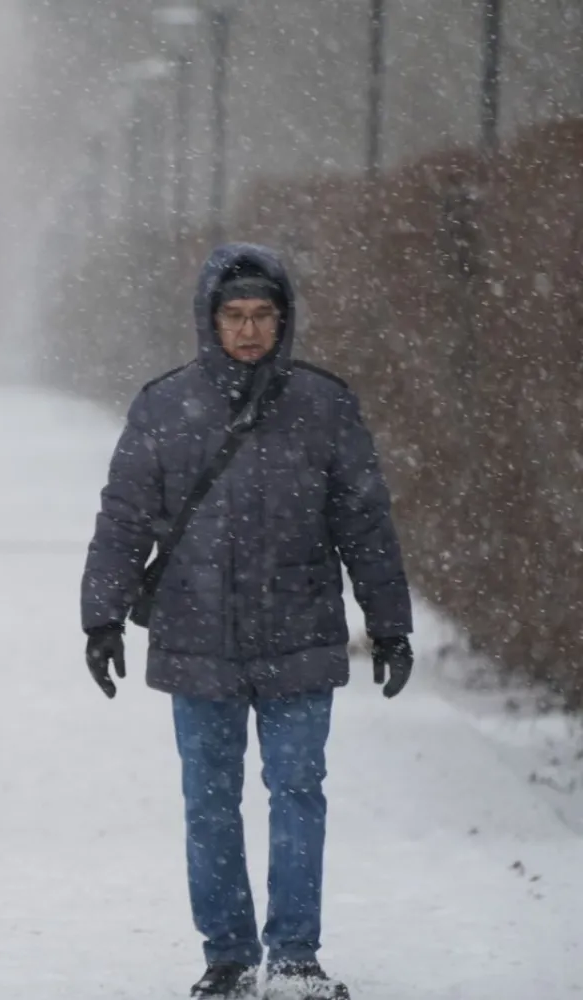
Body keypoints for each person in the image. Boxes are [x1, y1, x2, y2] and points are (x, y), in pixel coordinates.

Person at [79, 244, 414, 1000]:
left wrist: (388, 623)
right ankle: (227, 956)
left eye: (264, 315)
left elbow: (364, 521)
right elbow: (125, 518)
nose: (250, 330)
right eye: (235, 315)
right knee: (210, 800)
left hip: (300, 626)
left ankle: (295, 955)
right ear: (210, 319)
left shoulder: (325, 405)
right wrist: (101, 616)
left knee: (299, 791)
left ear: (284, 319)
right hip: (197, 631)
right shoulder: (164, 406)